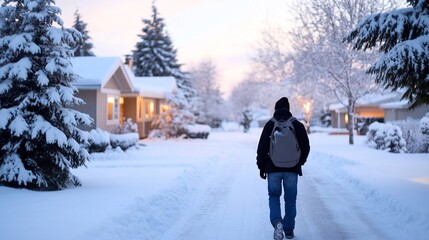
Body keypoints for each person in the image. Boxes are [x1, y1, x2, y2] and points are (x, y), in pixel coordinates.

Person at [256, 97, 310, 240]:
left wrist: (261, 167)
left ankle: (277, 222)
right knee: (290, 200)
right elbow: (306, 146)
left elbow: (262, 148)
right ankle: (289, 230)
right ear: (288, 108)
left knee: (274, 196)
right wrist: (300, 162)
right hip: (292, 169)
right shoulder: (297, 124)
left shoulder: (270, 125)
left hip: (273, 169)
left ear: (276, 109)